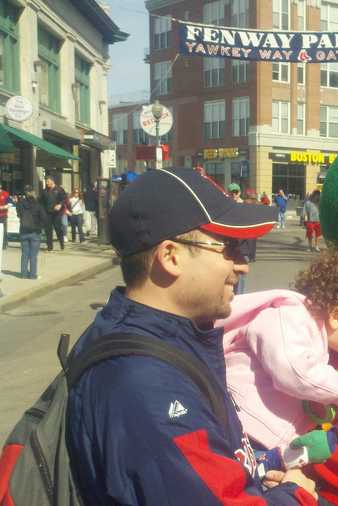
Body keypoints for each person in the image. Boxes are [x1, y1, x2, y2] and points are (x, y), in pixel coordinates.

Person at [65, 168, 316, 505]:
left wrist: (255, 471)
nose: (243, 265)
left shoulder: (166, 341)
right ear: (171, 256)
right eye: (229, 247)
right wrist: (297, 493)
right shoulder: (144, 385)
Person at [218, 243, 338, 457]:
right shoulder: (289, 316)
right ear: (337, 316)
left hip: (259, 437)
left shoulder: (315, 339)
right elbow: (293, 371)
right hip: (238, 425)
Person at [16, 186, 47, 280]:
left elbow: (19, 215)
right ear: (33, 193)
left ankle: (23, 274)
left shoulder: (20, 204)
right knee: (33, 255)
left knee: (24, 254)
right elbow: (44, 218)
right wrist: (40, 226)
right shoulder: (38, 204)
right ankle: (33, 275)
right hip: (35, 232)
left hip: (23, 231)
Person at [39, 176, 67, 251]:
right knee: (48, 230)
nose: (47, 183)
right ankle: (49, 247)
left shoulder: (59, 189)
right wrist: (42, 212)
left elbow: (64, 199)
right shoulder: (44, 191)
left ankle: (62, 244)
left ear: (52, 181)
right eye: (46, 182)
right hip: (47, 213)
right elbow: (41, 202)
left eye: (48, 181)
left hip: (57, 213)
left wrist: (60, 204)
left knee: (58, 229)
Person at [0, 182, 9, 250]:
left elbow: (9, 204)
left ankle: (4, 245)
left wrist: (2, 207)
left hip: (3, 215)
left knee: (4, 230)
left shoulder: (5, 194)